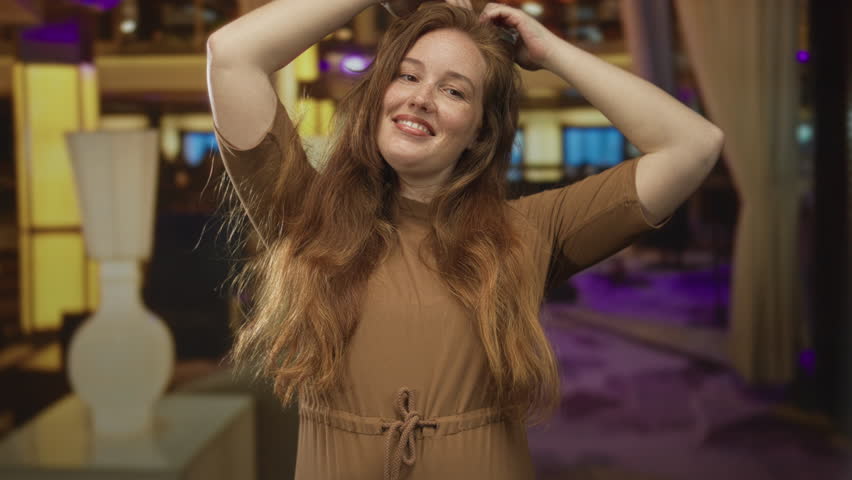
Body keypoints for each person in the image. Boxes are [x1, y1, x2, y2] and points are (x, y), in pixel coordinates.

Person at [206, 1, 724, 478]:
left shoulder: (527, 232)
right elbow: (231, 55)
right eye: (407, 75)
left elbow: (694, 145)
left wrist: (551, 52)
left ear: (480, 130)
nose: (421, 98)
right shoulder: (305, 213)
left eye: (454, 90)